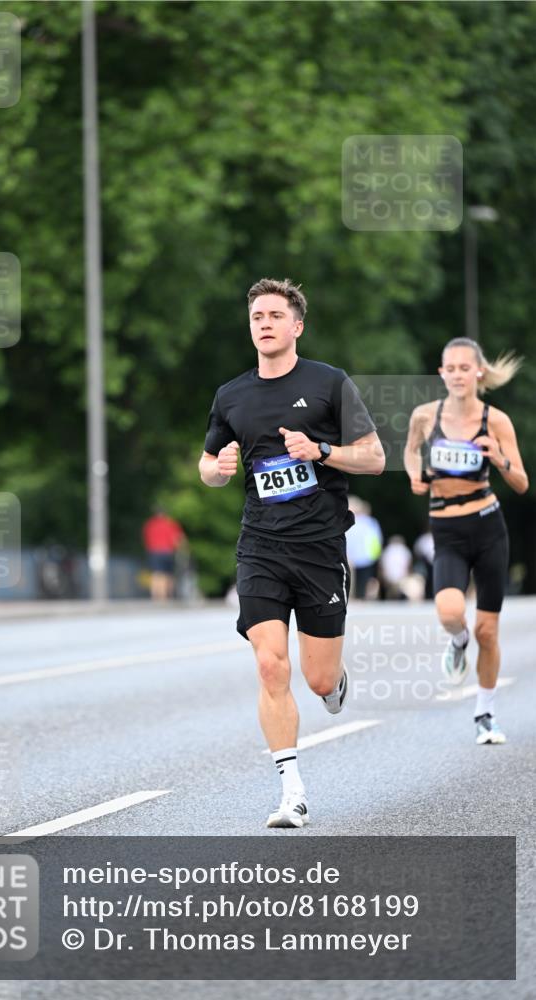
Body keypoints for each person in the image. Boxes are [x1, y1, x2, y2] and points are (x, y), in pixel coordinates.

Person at [199, 277, 385, 828]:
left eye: (275, 315)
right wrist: (218, 469)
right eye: (257, 315)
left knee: (319, 681)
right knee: (269, 664)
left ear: (296, 325)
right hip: (260, 545)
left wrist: (322, 450)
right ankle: (292, 791)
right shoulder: (231, 395)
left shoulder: (329, 384)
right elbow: (207, 465)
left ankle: (336, 683)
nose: (264, 323)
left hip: (319, 546)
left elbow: (374, 459)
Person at [404, 337, 528, 744]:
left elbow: (521, 482)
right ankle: (457, 642)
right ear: (441, 373)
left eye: (464, 367)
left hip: (489, 527)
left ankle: (485, 715)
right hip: (447, 529)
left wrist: (498, 457)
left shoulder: (497, 421)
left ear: (478, 371)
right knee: (449, 611)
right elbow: (410, 452)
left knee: (488, 632)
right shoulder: (426, 415)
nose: (457, 374)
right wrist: (414, 476)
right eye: (450, 368)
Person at [142, 508, 186, 600]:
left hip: (154, 552)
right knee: (167, 575)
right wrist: (181, 550)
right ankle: (166, 596)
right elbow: (177, 539)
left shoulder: (150, 524)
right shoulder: (170, 523)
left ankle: (156, 596)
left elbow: (146, 538)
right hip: (167, 552)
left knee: (156, 575)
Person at [345, 497, 383, 598]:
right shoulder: (370, 522)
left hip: (352, 556)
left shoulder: (349, 521)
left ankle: (353, 597)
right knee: (364, 579)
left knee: (351, 579)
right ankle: (362, 597)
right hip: (366, 555)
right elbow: (377, 538)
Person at [379, 535, 412, 600]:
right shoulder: (405, 550)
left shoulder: (386, 551)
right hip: (401, 577)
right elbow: (408, 566)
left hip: (389, 578)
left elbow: (382, 567)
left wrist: (383, 577)